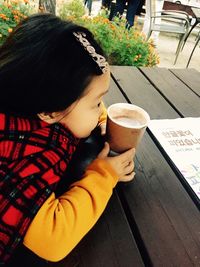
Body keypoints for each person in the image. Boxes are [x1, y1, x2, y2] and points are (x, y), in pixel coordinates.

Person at [0, 14, 135, 265]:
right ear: (50, 112)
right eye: (96, 103)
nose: (100, 107)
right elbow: (54, 238)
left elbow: (83, 104)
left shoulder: (33, 94)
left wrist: (102, 119)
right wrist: (103, 174)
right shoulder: (28, 150)